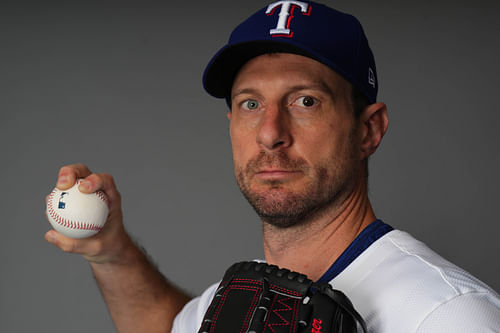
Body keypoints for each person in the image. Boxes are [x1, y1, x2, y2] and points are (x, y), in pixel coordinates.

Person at [45, 1, 500, 332]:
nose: (269, 132)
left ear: (369, 130)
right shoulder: (240, 301)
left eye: (305, 101)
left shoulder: (449, 313)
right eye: (250, 103)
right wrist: (110, 251)